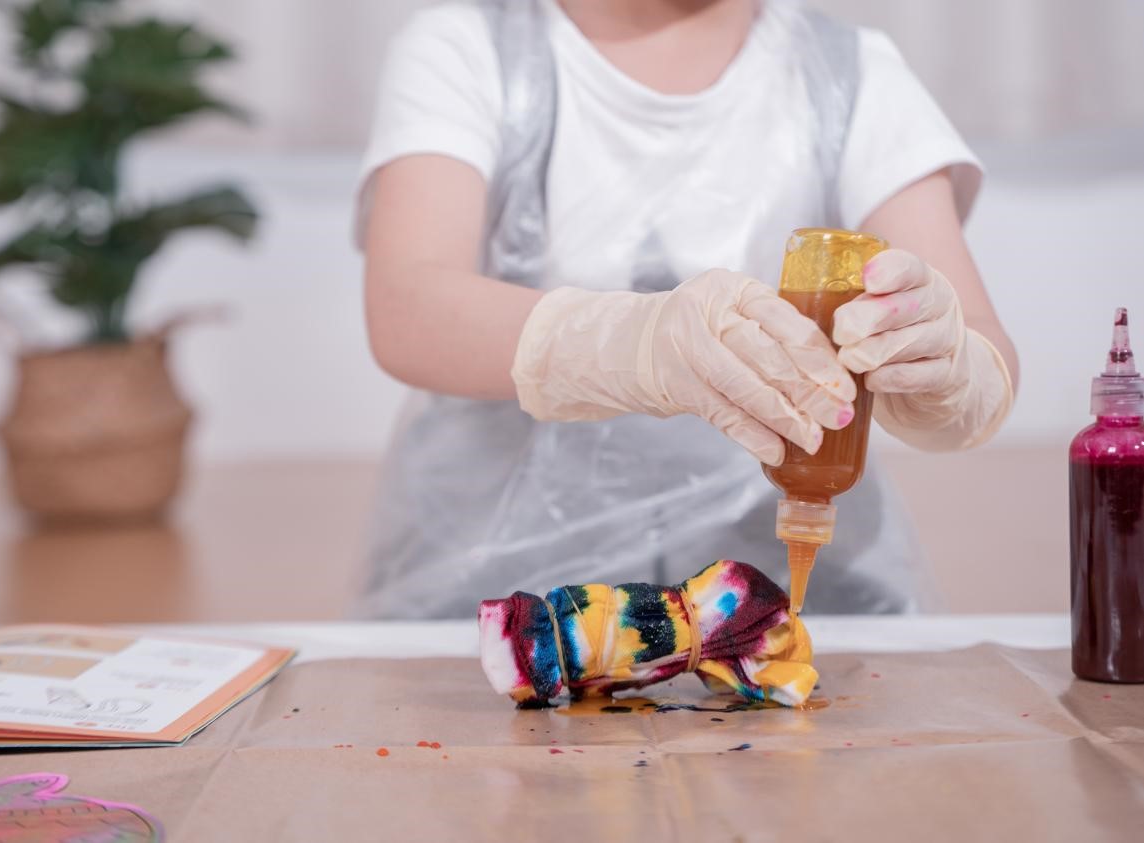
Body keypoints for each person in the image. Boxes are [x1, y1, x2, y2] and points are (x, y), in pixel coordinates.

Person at [354, 0, 1019, 619]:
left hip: (789, 599)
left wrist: (946, 363)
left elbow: (980, 341)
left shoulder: (850, 75)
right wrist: (640, 341)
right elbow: (408, 309)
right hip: (499, 597)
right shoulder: (469, 49)